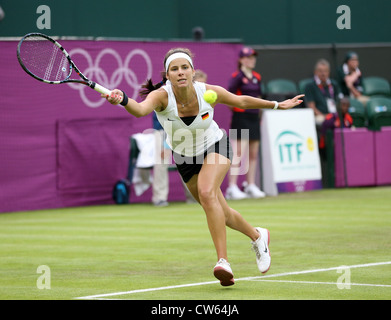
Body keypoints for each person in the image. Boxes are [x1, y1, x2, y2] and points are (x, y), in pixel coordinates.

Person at [102, 48, 304, 286]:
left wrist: (277, 105)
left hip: (215, 145)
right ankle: (258, 236)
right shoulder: (161, 96)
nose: (180, 73)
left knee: (208, 193)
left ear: (192, 71)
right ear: (167, 75)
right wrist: (123, 99)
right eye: (174, 69)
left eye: (184, 67)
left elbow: (240, 100)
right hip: (185, 158)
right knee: (222, 212)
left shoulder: (207, 91)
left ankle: (223, 261)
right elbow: (139, 110)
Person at [225, 47, 266, 200]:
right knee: (238, 153)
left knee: (253, 154)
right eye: (248, 57)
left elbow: (259, 96)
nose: (251, 60)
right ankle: (232, 187)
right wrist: (237, 110)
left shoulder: (257, 76)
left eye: (253, 57)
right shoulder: (236, 77)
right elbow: (229, 98)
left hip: (254, 117)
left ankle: (250, 185)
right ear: (241, 60)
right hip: (240, 117)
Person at [304, 59, 343, 127]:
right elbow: (311, 107)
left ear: (329, 72)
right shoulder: (310, 86)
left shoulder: (334, 84)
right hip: (320, 116)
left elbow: (340, 101)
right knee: (321, 120)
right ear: (315, 72)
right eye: (320, 71)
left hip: (334, 115)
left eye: (325, 71)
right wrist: (325, 117)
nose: (323, 74)